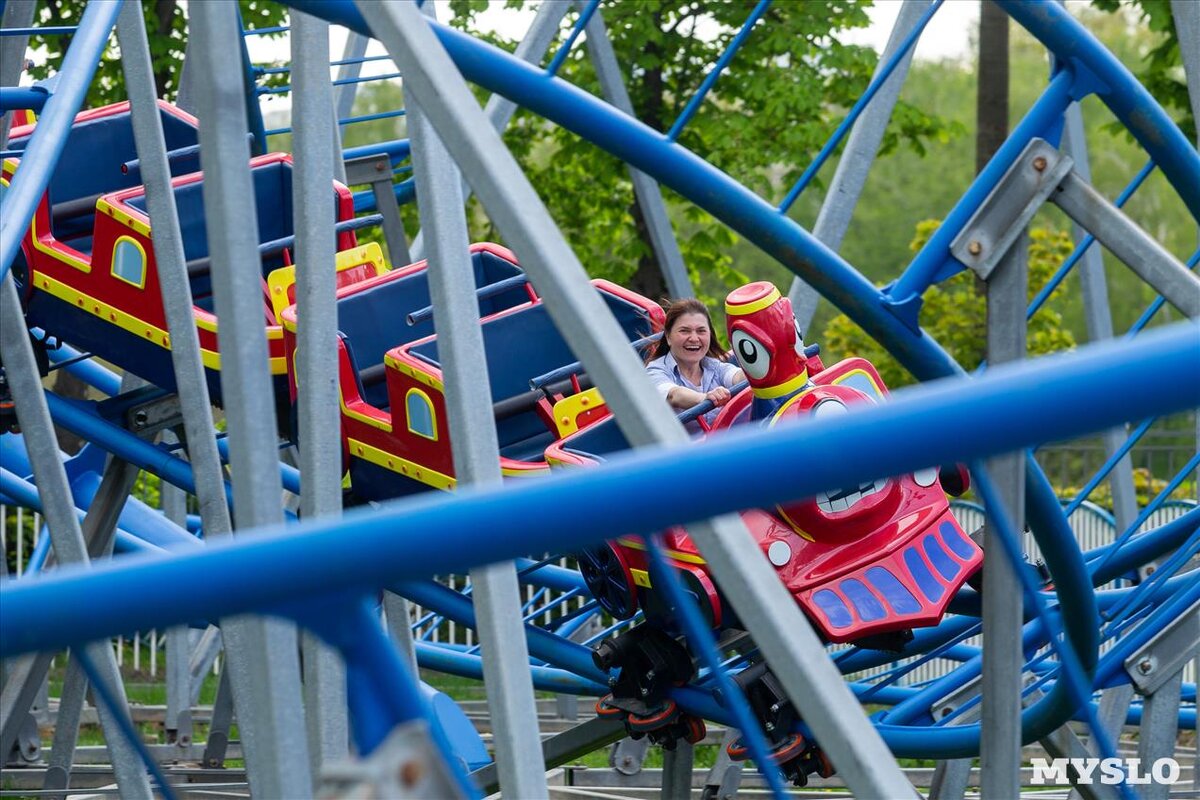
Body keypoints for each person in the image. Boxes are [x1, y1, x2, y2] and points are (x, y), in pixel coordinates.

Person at [645, 298, 745, 430]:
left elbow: (736, 376)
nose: (694, 338)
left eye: (701, 331)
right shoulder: (655, 370)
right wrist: (705, 398)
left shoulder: (713, 366)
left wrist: (757, 373)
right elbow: (673, 395)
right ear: (668, 337)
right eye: (684, 331)